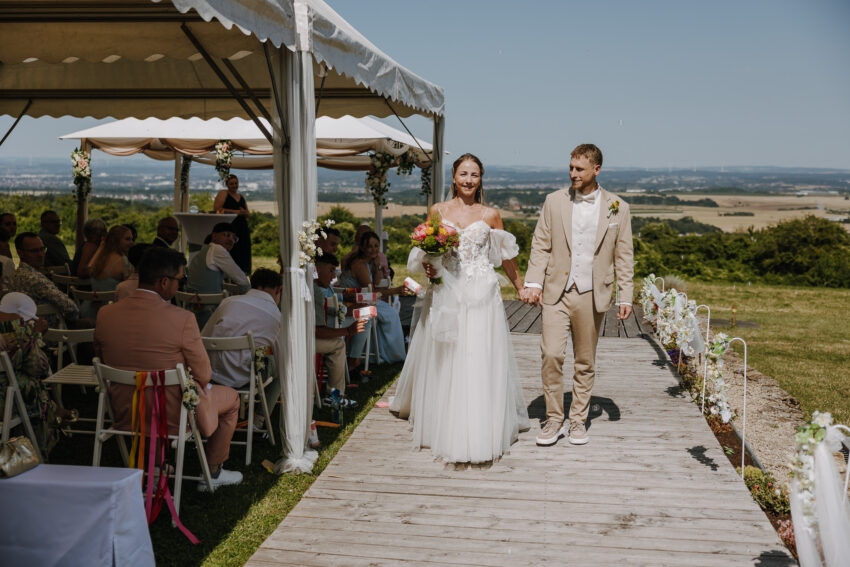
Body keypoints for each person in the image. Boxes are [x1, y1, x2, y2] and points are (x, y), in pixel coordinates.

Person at [390, 153, 530, 464]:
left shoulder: (491, 215)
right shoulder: (438, 211)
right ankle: (445, 424)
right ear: (454, 177)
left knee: (477, 356)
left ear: (481, 179)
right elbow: (427, 252)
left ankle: (480, 428)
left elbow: (506, 257)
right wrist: (429, 266)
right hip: (447, 291)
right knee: (447, 357)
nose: (468, 180)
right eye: (464, 174)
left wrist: (520, 286)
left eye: (474, 175)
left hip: (481, 294)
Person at [94, 247, 242, 490]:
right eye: (180, 280)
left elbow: (100, 358)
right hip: (172, 417)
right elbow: (204, 375)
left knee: (160, 389)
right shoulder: (182, 318)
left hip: (125, 411)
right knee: (232, 398)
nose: (180, 285)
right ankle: (213, 472)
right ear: (164, 282)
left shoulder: (105, 313)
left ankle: (155, 466)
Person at [521, 143, 634, 446]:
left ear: (597, 169)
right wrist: (533, 282)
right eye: (571, 168)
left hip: (592, 293)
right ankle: (553, 419)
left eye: (579, 169)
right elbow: (541, 244)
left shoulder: (618, 207)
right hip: (556, 291)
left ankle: (578, 421)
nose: (573, 173)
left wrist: (625, 295)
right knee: (551, 354)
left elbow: (624, 255)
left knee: (585, 361)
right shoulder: (553, 201)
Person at [0, 292, 76, 455]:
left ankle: (53, 413)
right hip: (6, 401)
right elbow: (39, 368)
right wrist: (37, 335)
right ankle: (51, 419)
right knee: (30, 385)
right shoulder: (15, 329)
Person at [202, 268, 283, 414]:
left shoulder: (227, 302)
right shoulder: (276, 316)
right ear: (278, 289)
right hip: (248, 377)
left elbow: (204, 336)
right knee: (283, 365)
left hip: (214, 373)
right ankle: (260, 418)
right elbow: (281, 356)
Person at [338, 230, 406, 364]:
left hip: (362, 301)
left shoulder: (368, 262)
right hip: (350, 304)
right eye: (369, 246)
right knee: (390, 313)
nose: (374, 249)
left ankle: (385, 352)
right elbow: (372, 293)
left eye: (376, 246)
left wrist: (378, 265)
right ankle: (388, 354)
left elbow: (376, 282)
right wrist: (396, 290)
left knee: (390, 312)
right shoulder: (359, 265)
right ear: (362, 248)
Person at [314, 254, 366, 408]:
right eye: (331, 271)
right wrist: (347, 331)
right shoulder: (315, 291)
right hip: (301, 342)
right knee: (338, 345)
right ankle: (334, 397)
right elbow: (317, 331)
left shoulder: (312, 286)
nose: (333, 277)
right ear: (317, 269)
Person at [186, 222, 250, 328]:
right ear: (214, 236)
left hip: (191, 313)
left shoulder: (202, 252)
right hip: (210, 317)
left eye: (234, 238)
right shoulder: (217, 249)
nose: (231, 240)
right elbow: (244, 282)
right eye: (227, 235)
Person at [8, 232, 80, 325]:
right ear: (20, 253)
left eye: (42, 249)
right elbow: (71, 308)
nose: (41, 254)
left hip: (25, 329)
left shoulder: (14, 276)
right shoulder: (34, 279)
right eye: (34, 251)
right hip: (51, 330)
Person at [214, 174, 251, 273]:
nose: (234, 185)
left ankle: (242, 274)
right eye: (231, 184)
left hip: (242, 227)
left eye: (236, 183)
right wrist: (237, 212)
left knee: (243, 251)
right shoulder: (223, 193)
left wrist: (245, 213)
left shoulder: (241, 197)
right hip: (230, 227)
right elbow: (217, 209)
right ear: (227, 184)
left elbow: (248, 213)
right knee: (232, 251)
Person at [89, 225, 134, 291]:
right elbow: (130, 287)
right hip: (115, 297)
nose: (132, 242)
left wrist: (101, 247)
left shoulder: (99, 258)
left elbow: (89, 268)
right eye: (127, 239)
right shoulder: (123, 261)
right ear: (116, 240)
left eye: (132, 239)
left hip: (94, 297)